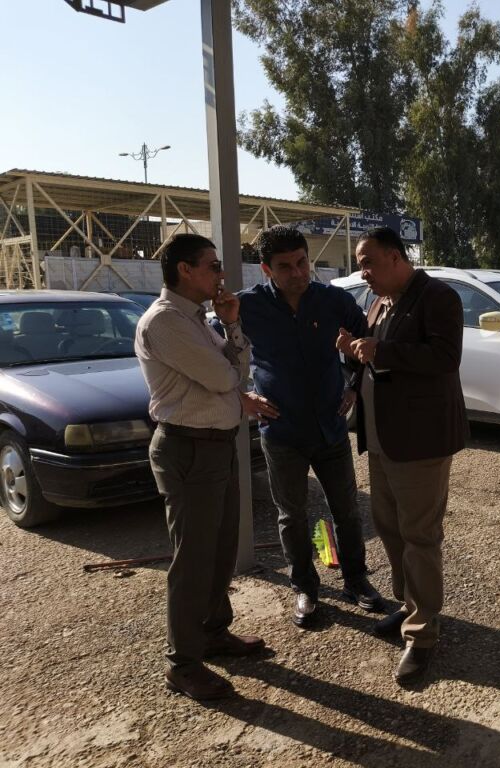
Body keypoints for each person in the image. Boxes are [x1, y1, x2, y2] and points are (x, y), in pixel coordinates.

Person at [135, 233, 275, 701]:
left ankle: (213, 631)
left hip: (214, 445)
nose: (221, 274)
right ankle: (183, 663)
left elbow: (238, 366)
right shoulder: (165, 321)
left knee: (220, 549)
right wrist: (232, 366)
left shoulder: (197, 319)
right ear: (184, 270)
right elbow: (223, 376)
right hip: (188, 447)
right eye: (213, 266)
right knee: (194, 559)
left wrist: (231, 325)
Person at [337, 226, 467, 686]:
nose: (363, 272)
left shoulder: (438, 297)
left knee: (419, 535)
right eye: (361, 264)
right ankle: (409, 606)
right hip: (382, 438)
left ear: (395, 257)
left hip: (421, 442)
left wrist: (382, 350)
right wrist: (353, 355)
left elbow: (445, 357)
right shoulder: (379, 302)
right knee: (390, 529)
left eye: (368, 262)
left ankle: (423, 633)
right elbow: (374, 361)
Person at [235, 225, 382, 628]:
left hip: (330, 428)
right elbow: (215, 351)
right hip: (282, 433)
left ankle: (356, 580)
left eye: (302, 262)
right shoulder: (247, 306)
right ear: (266, 269)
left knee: (347, 510)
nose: (298, 273)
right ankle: (305, 587)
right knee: (291, 515)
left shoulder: (333, 300)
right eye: (285, 267)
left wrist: (354, 385)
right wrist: (240, 397)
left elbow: (368, 342)